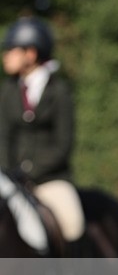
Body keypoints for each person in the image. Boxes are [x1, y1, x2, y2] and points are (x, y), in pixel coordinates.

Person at [0, 16, 85, 251]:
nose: (5, 55)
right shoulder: (8, 91)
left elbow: (63, 143)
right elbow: (4, 136)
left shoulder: (59, 91)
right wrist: (10, 174)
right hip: (11, 179)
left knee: (72, 223)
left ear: (30, 53)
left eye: (11, 50)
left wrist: (30, 171)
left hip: (50, 179)